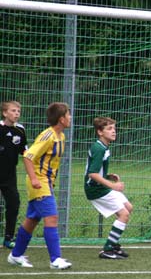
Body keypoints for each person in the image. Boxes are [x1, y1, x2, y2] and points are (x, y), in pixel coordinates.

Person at [7, 102, 72, 269]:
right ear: (61, 119)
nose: (70, 117)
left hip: (46, 182)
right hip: (39, 182)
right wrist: (34, 179)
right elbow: (28, 157)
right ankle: (55, 260)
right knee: (52, 217)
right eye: (68, 115)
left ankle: (15, 255)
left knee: (32, 220)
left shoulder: (61, 136)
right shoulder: (47, 136)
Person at [84, 117, 133, 259]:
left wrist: (108, 176)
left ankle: (114, 244)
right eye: (109, 129)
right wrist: (113, 185)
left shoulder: (102, 146)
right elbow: (92, 174)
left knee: (128, 207)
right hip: (95, 190)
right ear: (100, 132)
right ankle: (108, 249)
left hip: (100, 186)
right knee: (124, 214)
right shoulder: (99, 148)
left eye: (114, 129)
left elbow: (95, 169)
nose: (114, 131)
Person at [0, 101, 28, 249]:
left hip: (9, 176)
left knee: (14, 203)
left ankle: (8, 238)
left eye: (18, 111)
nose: (16, 113)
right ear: (5, 113)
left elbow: (25, 152)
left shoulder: (20, 130)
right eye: (13, 110)